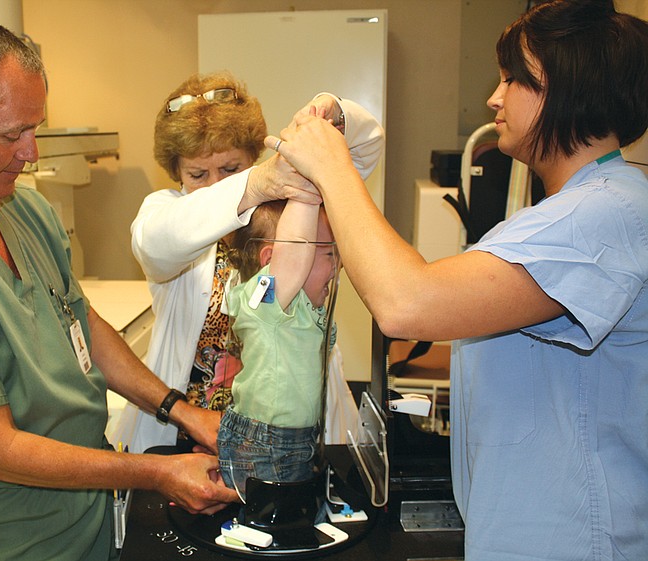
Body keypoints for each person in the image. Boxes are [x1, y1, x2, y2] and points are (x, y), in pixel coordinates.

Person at [269, 1, 648, 559]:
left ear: (570, 90)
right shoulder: (578, 209)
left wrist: (332, 167)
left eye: (514, 80)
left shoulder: (601, 216)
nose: (494, 99)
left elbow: (405, 302)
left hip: (571, 536)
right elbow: (428, 285)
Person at [0, 17, 236, 561]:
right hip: (21, 542)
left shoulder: (20, 209)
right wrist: (158, 472)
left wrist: (181, 409)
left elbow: (82, 322)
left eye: (35, 129)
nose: (31, 153)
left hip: (94, 514)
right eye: (12, 134)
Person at [123, 71, 384, 454]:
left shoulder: (291, 204)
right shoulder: (165, 213)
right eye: (197, 174)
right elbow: (156, 243)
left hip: (292, 439)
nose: (214, 184)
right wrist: (250, 185)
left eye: (230, 169)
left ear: (255, 158)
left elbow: (366, 145)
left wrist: (332, 115)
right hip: (186, 437)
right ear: (177, 172)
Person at [218, 197, 338, 497]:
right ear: (272, 261)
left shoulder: (300, 309)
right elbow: (295, 254)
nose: (339, 264)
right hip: (266, 444)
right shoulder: (266, 302)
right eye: (327, 253)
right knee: (274, 528)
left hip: (292, 439)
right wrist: (306, 188)